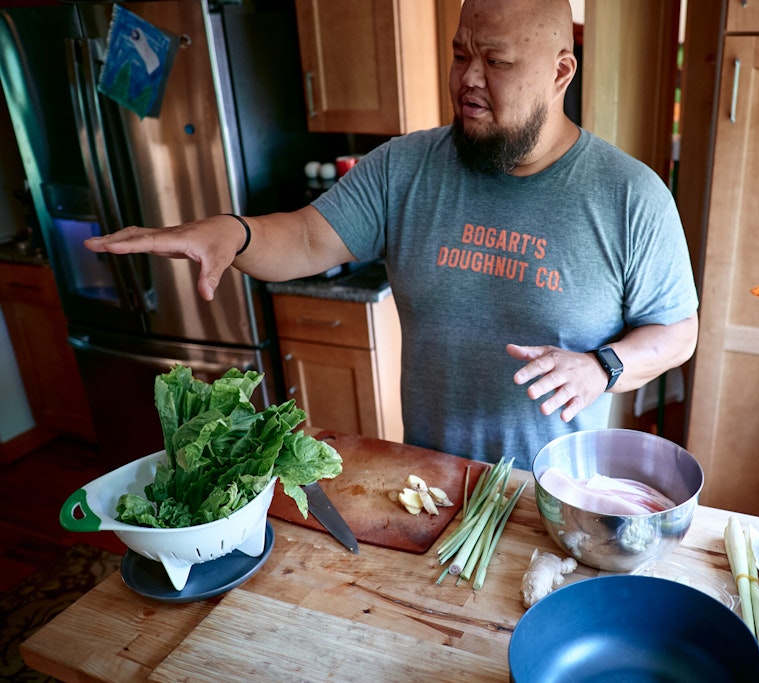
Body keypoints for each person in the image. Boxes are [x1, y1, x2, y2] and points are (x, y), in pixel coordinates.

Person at [84, 0, 699, 469]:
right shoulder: (405, 167)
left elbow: (677, 332)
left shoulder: (630, 196)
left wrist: (603, 365)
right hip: (429, 479)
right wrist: (233, 233)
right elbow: (302, 239)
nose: (469, 79)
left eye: (498, 61)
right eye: (461, 54)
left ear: (561, 70)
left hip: (557, 491)